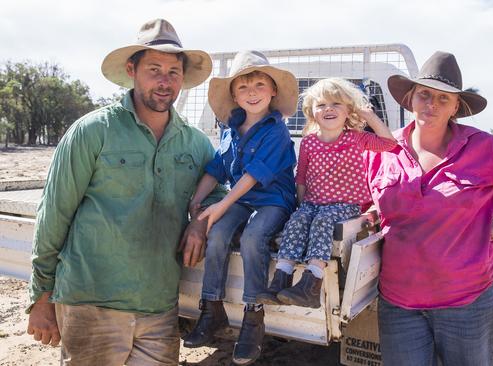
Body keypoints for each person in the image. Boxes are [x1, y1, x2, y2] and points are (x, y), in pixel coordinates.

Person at [26, 19, 224, 365]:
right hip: (91, 302)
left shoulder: (194, 143)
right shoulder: (92, 131)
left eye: (174, 72)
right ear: (132, 70)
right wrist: (42, 296)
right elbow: (54, 215)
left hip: (159, 308)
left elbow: (217, 193)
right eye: (154, 70)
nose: (165, 82)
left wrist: (199, 222)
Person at [364, 51, 493, 365]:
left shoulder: (486, 149)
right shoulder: (382, 150)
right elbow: (364, 204)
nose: (431, 104)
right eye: (424, 95)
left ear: (456, 106)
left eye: (443, 99)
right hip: (398, 303)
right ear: (410, 98)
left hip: (468, 302)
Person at [181, 50, 298, 366]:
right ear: (234, 94)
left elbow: (251, 177)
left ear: (273, 90)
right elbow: (217, 168)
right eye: (243, 88)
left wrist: (219, 205)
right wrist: (197, 200)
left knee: (252, 237)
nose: (252, 93)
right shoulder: (230, 128)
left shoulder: (277, 129)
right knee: (216, 233)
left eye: (260, 85)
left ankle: (253, 316)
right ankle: (211, 308)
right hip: (242, 199)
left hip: (274, 199)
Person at [255, 78, 397, 308]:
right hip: (313, 202)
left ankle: (312, 283)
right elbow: (301, 177)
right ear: (312, 112)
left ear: (348, 110)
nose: (328, 109)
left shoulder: (356, 138)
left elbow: (388, 144)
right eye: (321, 105)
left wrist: (367, 114)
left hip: (346, 204)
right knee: (297, 220)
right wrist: (301, 206)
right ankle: (281, 279)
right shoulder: (309, 142)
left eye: (336, 104)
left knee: (322, 221)